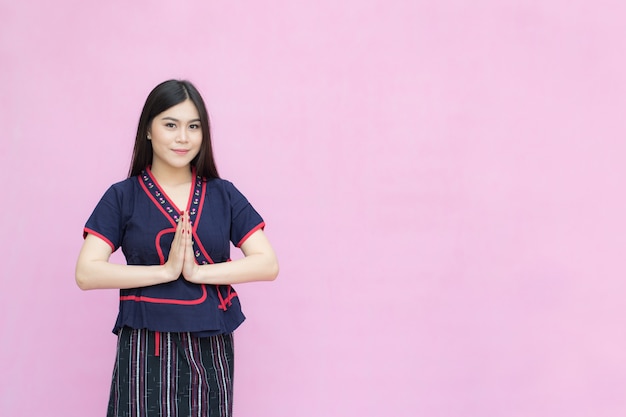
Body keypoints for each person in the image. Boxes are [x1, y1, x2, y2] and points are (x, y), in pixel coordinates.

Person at [75, 79, 279, 417]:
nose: (183, 137)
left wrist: (197, 272)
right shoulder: (123, 196)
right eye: (171, 125)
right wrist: (165, 271)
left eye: (193, 126)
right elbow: (86, 272)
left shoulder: (223, 194)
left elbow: (267, 263)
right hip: (145, 344)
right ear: (149, 131)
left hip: (209, 344)